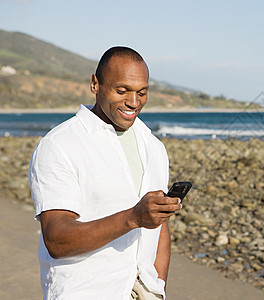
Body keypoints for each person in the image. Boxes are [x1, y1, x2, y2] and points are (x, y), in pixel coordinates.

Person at [28, 46, 182, 299]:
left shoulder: (153, 146)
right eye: (122, 91)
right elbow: (56, 239)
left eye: (141, 92)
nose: (133, 102)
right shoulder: (59, 145)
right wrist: (133, 217)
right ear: (95, 84)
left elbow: (159, 226)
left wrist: (157, 285)